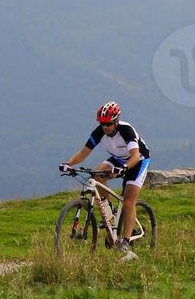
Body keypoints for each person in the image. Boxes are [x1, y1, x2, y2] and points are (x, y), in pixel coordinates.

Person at [60, 102, 151, 260]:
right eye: (102, 124)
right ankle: (110, 213)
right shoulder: (99, 132)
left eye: (108, 124)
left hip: (138, 161)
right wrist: (68, 164)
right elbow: (83, 152)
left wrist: (124, 168)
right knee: (98, 173)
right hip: (117, 159)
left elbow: (135, 156)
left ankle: (126, 242)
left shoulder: (126, 130)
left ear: (116, 121)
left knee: (129, 201)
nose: (105, 127)